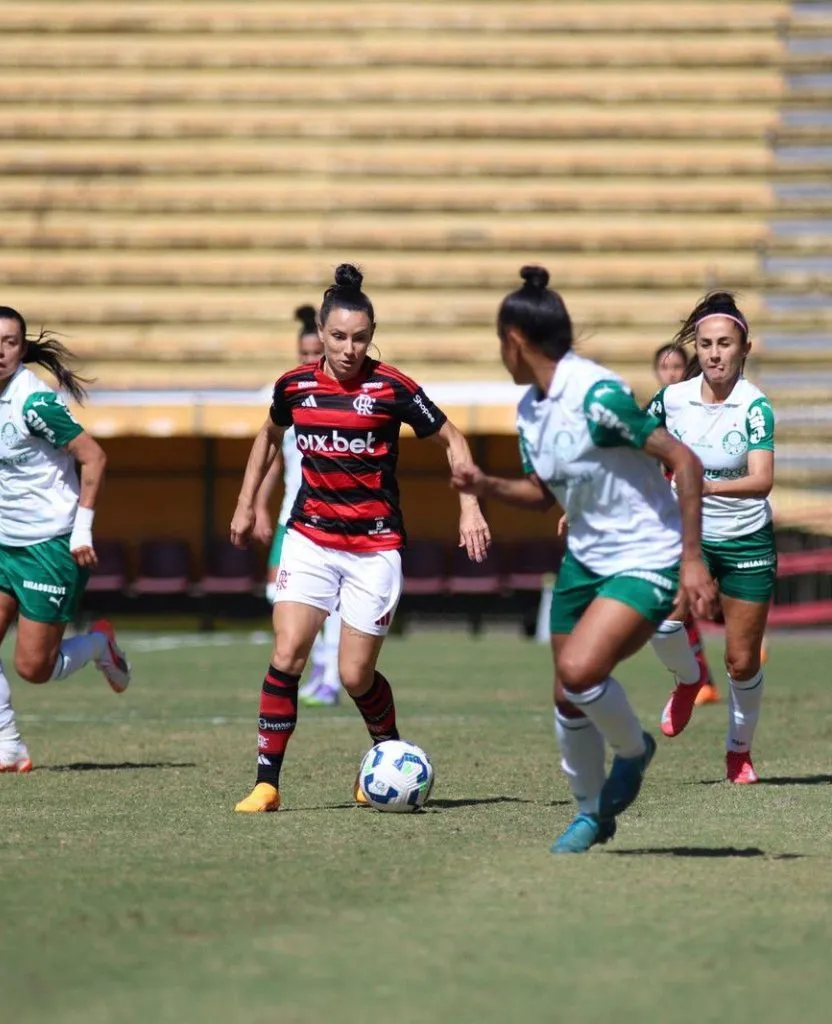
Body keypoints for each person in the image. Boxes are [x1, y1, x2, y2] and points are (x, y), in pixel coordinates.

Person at [452, 266, 715, 853]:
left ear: (514, 340)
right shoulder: (530, 409)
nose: (501, 354)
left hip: (646, 553)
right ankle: (590, 814)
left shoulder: (597, 398)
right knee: (565, 692)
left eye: (500, 342)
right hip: (584, 558)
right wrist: (484, 484)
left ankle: (632, 750)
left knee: (580, 673)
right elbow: (540, 493)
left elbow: (687, 463)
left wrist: (692, 561)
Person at [229, 264, 491, 812]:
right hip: (310, 539)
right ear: (321, 334)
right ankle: (266, 783)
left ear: (372, 336)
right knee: (287, 653)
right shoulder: (295, 386)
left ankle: (386, 760)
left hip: (374, 549)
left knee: (354, 673)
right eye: (340, 337)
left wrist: (469, 506)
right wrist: (246, 502)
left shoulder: (393, 387)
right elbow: (268, 436)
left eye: (361, 337)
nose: (350, 348)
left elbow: (452, 436)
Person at [0, 306, 131, 776]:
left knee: (35, 669)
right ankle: (8, 747)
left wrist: (82, 530)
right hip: (0, 540)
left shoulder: (35, 403)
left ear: (21, 349)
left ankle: (99, 644)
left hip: (51, 545)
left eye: (9, 342)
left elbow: (94, 459)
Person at [647, 292, 775, 784]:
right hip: (687, 537)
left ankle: (738, 752)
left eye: (725, 343)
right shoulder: (672, 398)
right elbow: (632, 439)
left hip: (746, 542)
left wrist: (704, 484)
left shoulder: (755, 406)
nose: (715, 353)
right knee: (661, 621)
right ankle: (688, 678)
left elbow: (762, 480)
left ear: (744, 348)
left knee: (742, 662)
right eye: (706, 344)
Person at [254, 305, 342, 708]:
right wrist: (257, 504)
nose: (309, 359)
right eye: (303, 353)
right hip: (293, 514)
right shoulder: (290, 393)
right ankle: (321, 663)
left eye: (314, 352)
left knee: (327, 600)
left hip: (329, 516)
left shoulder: (336, 393)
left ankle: (329, 670)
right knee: (277, 590)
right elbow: (272, 454)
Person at [652, 342, 721, 707]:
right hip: (669, 519)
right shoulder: (658, 411)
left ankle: (703, 675)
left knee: (690, 601)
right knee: (679, 605)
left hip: (704, 514)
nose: (672, 374)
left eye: (678, 367)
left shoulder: (697, 410)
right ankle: (700, 677)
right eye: (665, 368)